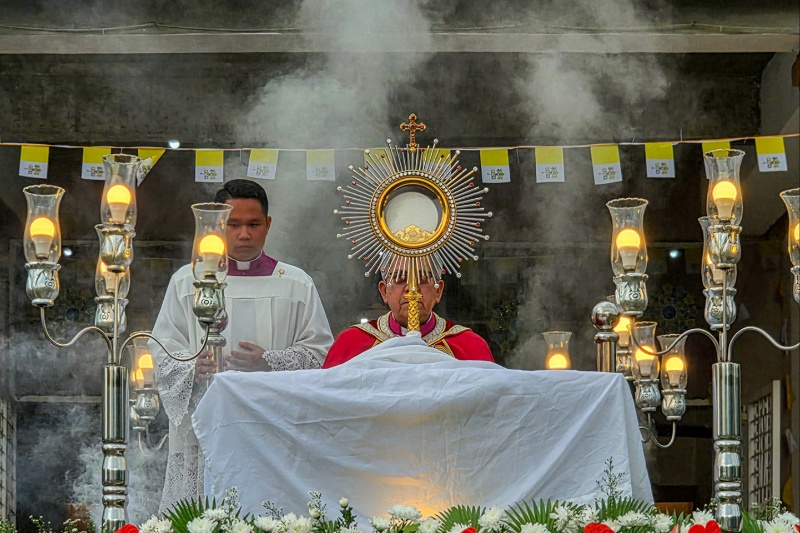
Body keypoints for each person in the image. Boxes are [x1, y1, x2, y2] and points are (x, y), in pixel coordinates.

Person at [150, 179, 333, 512]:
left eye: (254, 224)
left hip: (273, 430)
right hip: (206, 429)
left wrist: (272, 362)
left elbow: (321, 355)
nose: (244, 234)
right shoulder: (186, 281)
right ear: (218, 226)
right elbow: (161, 352)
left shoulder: (295, 284)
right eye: (233, 225)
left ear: (268, 225)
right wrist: (192, 366)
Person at [322, 270, 494, 367]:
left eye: (423, 279)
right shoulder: (351, 343)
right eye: (399, 279)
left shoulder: (470, 346)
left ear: (438, 291)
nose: (412, 289)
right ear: (384, 291)